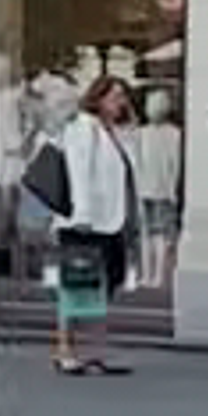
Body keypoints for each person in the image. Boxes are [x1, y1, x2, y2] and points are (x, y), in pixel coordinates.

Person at [34, 71, 138, 374]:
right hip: (86, 221)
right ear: (99, 98)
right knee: (78, 284)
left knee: (108, 279)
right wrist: (82, 215)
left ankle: (90, 347)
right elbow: (79, 171)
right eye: (115, 96)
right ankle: (65, 347)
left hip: (110, 220)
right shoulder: (84, 127)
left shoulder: (112, 131)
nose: (120, 102)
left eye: (123, 97)